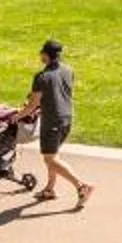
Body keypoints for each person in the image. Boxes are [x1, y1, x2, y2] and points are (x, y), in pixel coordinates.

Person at [23, 40, 92, 208]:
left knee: (50, 159)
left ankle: (82, 186)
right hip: (67, 119)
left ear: (45, 55)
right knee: (53, 156)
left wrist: (18, 116)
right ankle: (50, 189)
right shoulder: (69, 70)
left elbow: (32, 105)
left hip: (52, 122)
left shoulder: (41, 77)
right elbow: (58, 91)